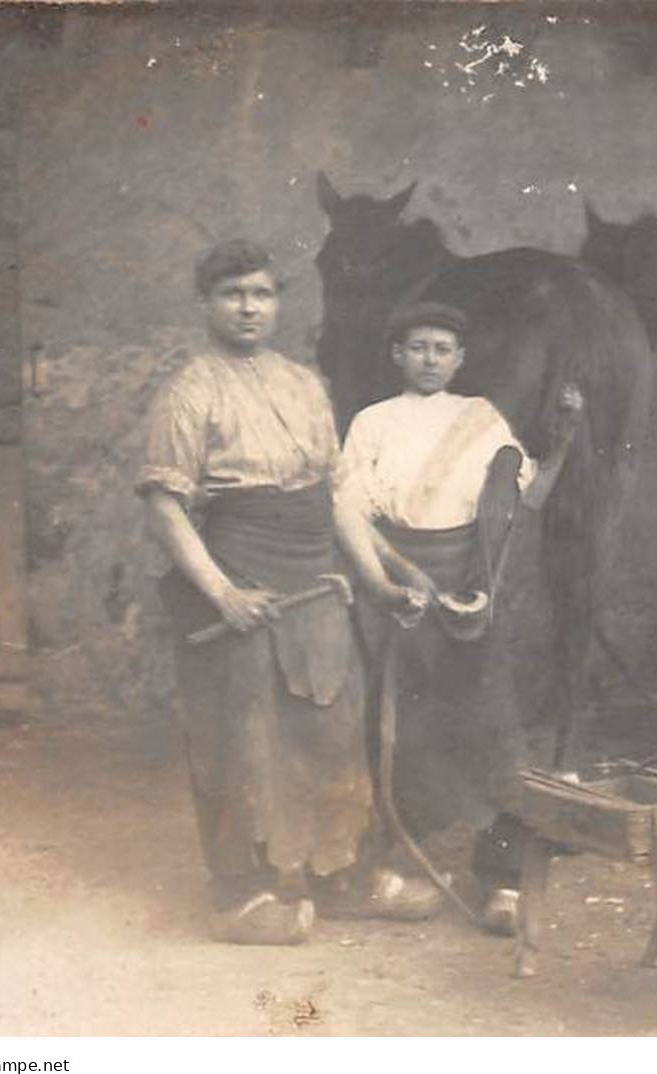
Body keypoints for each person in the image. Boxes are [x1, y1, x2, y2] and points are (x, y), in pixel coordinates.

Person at [139, 240, 440, 946]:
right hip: (242, 574)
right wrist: (219, 593)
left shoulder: (305, 384)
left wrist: (377, 579)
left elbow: (333, 490)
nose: (249, 307)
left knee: (333, 732)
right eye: (232, 294)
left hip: (316, 578)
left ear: (278, 302)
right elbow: (164, 507)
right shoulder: (191, 390)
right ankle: (241, 895)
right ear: (205, 303)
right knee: (245, 738)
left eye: (262, 293)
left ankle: (341, 876)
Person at [333, 301, 581, 935]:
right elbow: (351, 509)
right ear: (397, 356)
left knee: (489, 722)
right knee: (401, 726)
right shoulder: (372, 422)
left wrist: (565, 441)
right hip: (397, 583)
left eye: (442, 349)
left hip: (471, 584)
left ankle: (500, 874)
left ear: (460, 358)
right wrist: (390, 583)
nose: (429, 359)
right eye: (417, 347)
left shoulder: (483, 420)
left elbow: (520, 500)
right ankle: (400, 865)